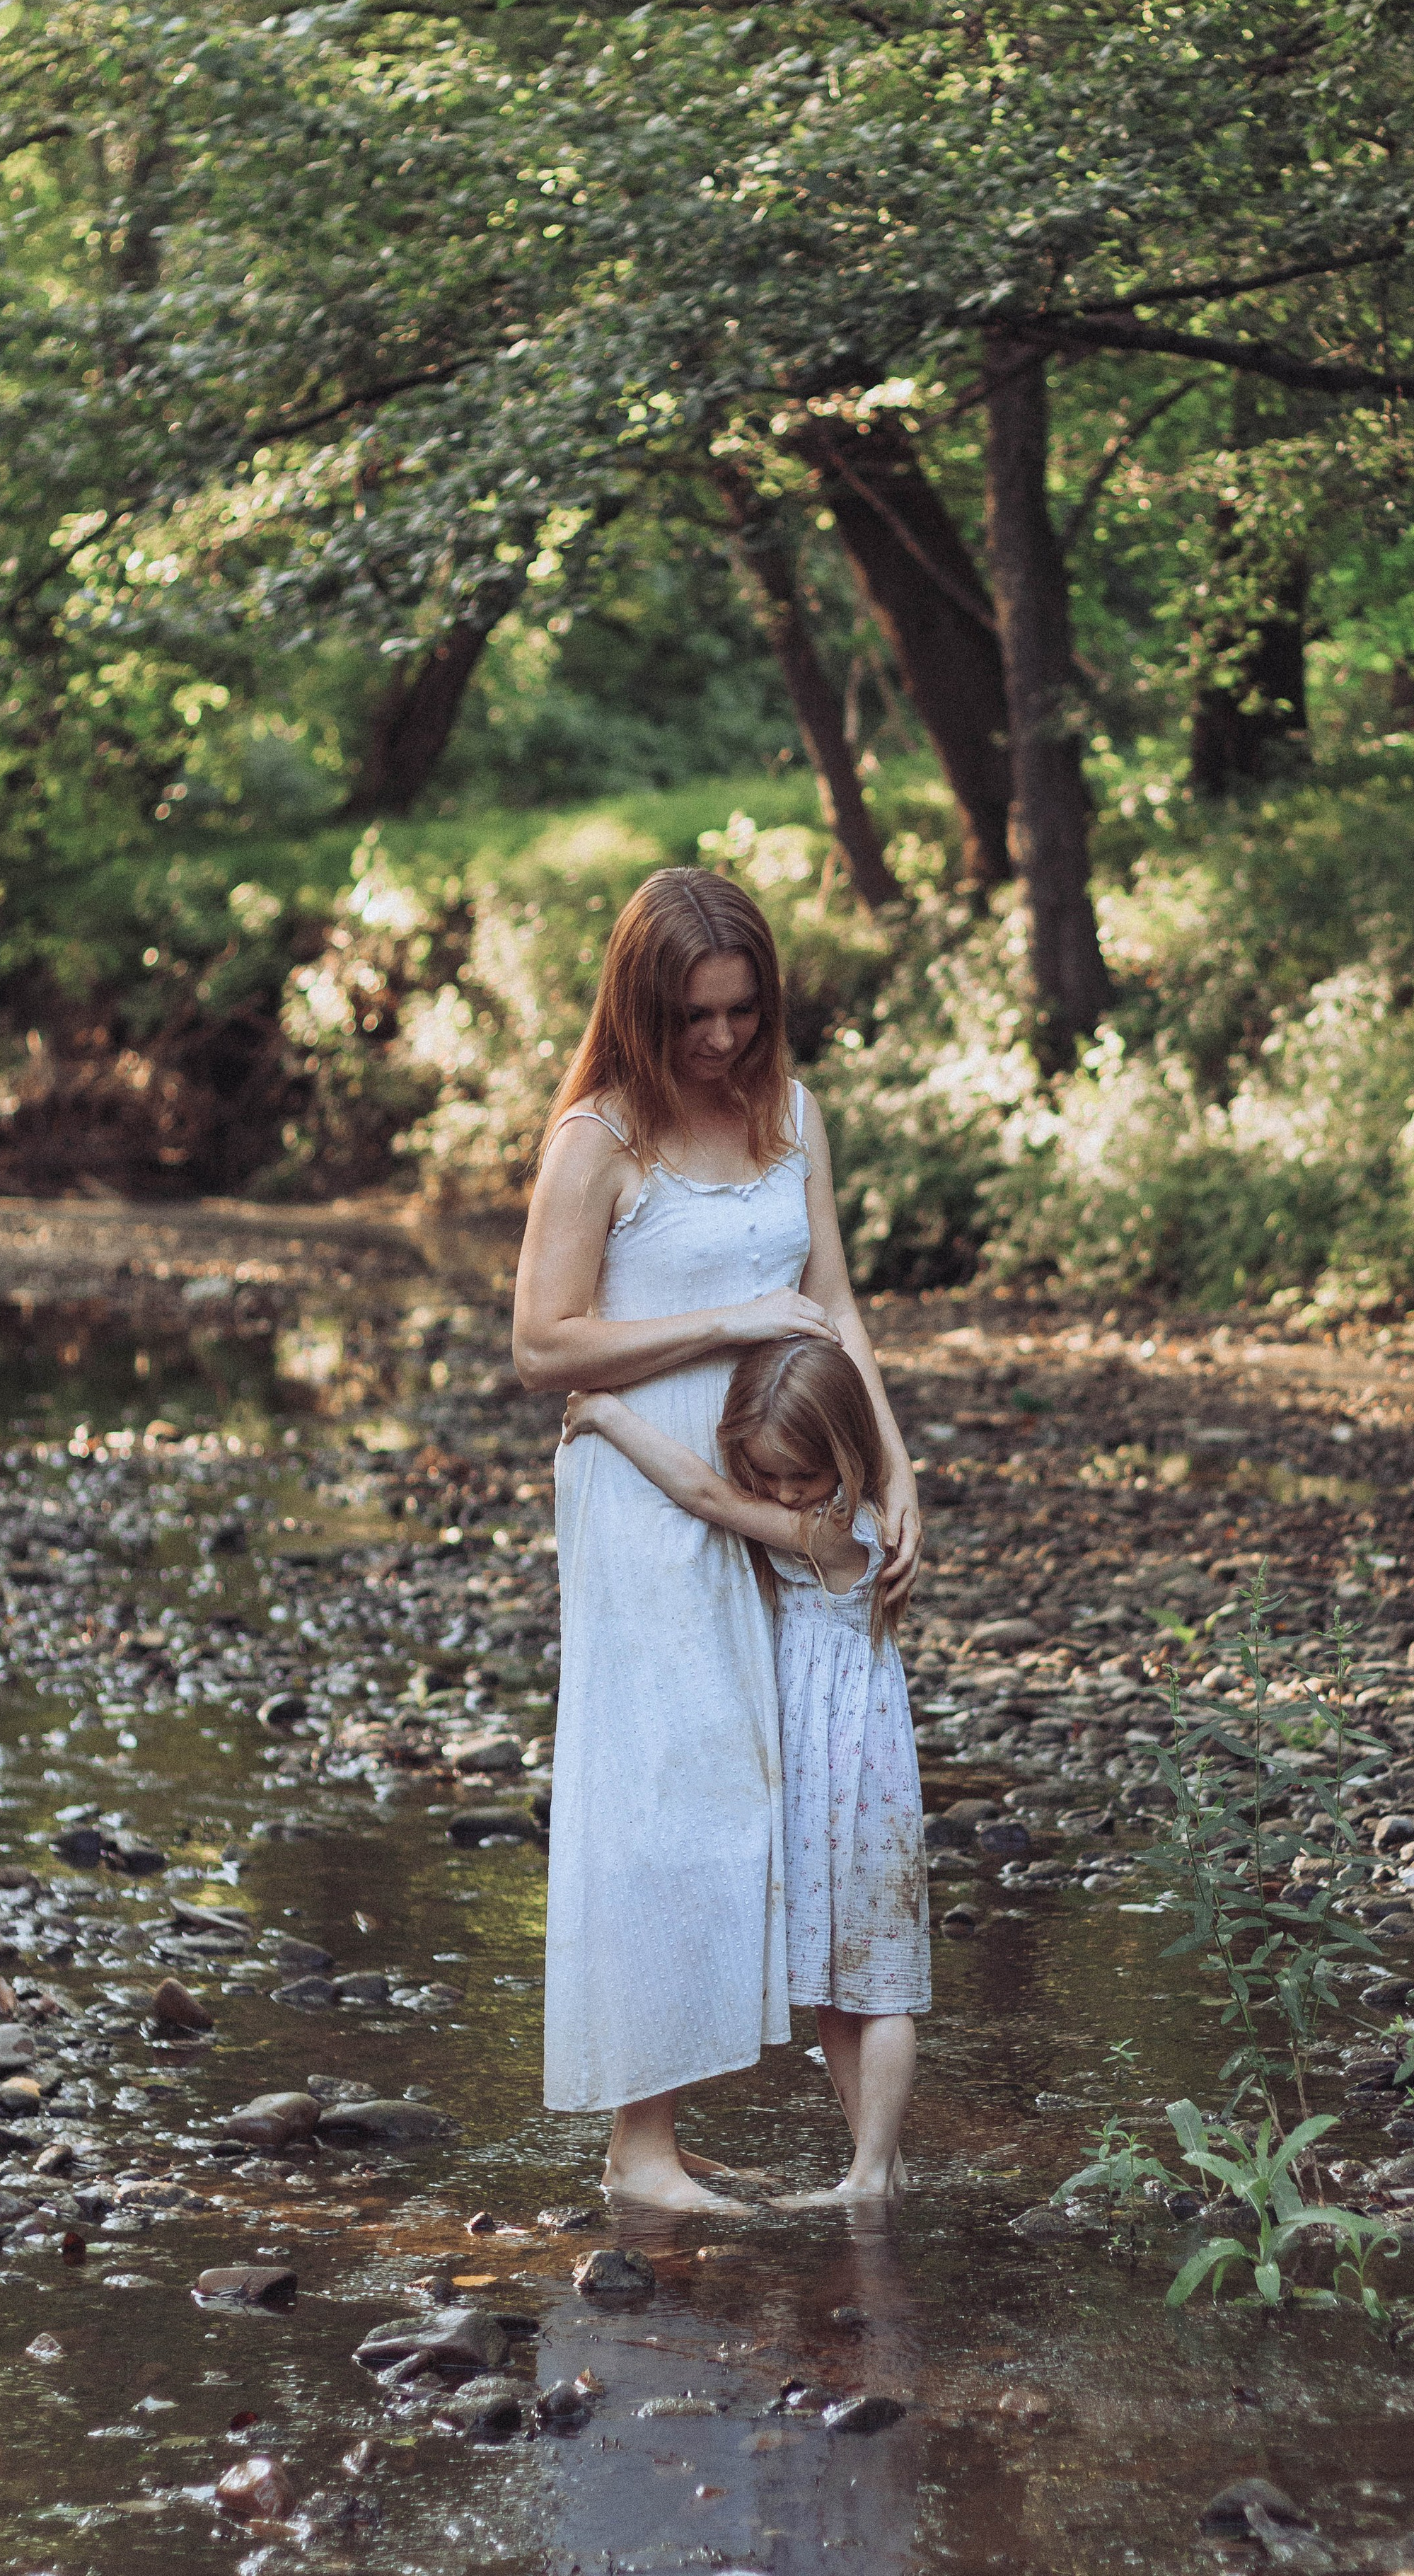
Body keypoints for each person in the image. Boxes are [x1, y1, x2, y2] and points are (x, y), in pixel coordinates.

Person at [511, 867, 920, 2214]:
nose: (723, 1040)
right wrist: (733, 1322)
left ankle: (681, 2131)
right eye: (695, 1015)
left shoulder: (792, 1116)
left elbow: (837, 1306)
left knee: (760, 1793)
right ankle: (640, 2144)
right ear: (641, 1005)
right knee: (662, 1800)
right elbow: (543, 1348)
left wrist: (894, 1473)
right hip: (644, 1493)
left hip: (791, 1484)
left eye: (744, 1011)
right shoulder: (601, 1140)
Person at [566, 1334, 928, 2205]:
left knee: (878, 1982)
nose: (782, 1492)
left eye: (800, 1473)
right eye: (766, 1476)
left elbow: (698, 1492)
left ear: (846, 1452)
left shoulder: (834, 1530)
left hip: (851, 1777)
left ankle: (871, 2175)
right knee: (844, 1989)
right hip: (841, 1771)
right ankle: (877, 2165)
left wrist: (610, 1413)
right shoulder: (848, 1513)